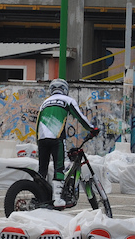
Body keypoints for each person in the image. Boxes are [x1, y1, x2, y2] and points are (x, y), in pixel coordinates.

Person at [36, 78, 98, 207]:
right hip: (56, 137)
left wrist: (39, 139)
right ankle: (57, 199)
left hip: (41, 138)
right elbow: (80, 117)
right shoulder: (67, 100)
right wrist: (92, 129)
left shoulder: (45, 103)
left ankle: (38, 197)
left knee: (42, 169)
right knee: (59, 167)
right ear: (65, 89)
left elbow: (37, 122)